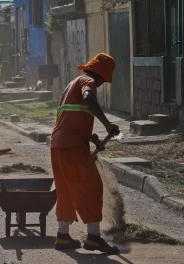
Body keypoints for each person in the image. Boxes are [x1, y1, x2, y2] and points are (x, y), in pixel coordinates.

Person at [51, 53, 120, 253]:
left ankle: (63, 236)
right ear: (99, 75)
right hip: (72, 146)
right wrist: (107, 124)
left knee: (66, 189)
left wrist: (93, 139)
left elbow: (72, 119)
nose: (100, 84)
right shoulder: (87, 81)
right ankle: (93, 238)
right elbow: (88, 97)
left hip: (58, 145)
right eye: (103, 80)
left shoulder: (70, 86)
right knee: (90, 187)